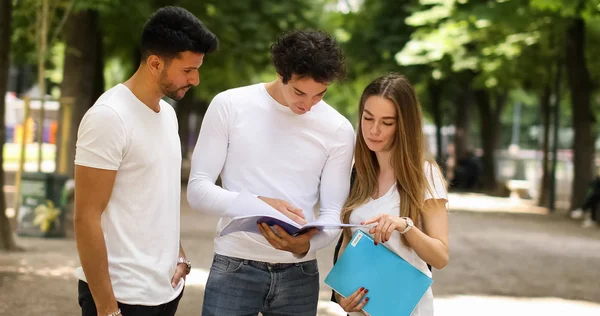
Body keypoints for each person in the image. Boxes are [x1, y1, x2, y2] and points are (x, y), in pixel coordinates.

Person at [187, 29, 354, 315]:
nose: (308, 104)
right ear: (280, 71)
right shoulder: (230, 105)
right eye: (299, 92)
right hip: (234, 265)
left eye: (319, 95)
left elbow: (332, 215)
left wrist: (305, 243)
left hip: (299, 274)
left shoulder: (338, 129)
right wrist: (259, 204)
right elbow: (198, 190)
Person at [73, 6, 218, 316]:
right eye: (188, 70)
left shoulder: (167, 115)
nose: (196, 79)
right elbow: (86, 218)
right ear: (155, 63)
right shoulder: (109, 117)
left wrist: (177, 254)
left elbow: (157, 197)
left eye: (198, 68)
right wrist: (107, 308)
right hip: (121, 297)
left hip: (165, 291)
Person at [333, 73, 449, 316]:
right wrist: (340, 296)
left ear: (404, 126)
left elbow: (440, 257)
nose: (374, 130)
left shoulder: (424, 174)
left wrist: (405, 226)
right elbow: (347, 241)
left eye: (387, 123)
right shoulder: (358, 174)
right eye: (368, 118)